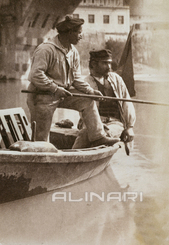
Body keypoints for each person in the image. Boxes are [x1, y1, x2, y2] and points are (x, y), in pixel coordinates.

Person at [26, 15, 120, 147]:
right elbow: (36, 74)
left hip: (63, 93)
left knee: (87, 99)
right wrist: (55, 89)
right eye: (79, 33)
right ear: (70, 32)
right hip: (42, 95)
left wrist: (90, 91)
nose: (81, 36)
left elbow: (76, 78)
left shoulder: (73, 52)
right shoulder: (46, 49)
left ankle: (97, 136)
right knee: (41, 139)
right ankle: (41, 152)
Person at [72, 49, 136, 149]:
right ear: (93, 64)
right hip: (90, 123)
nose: (109, 67)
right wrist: (97, 124)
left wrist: (129, 127)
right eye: (105, 63)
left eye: (110, 63)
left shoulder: (116, 79)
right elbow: (83, 109)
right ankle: (73, 159)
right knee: (85, 133)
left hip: (114, 123)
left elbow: (126, 102)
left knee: (105, 133)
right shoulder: (84, 83)